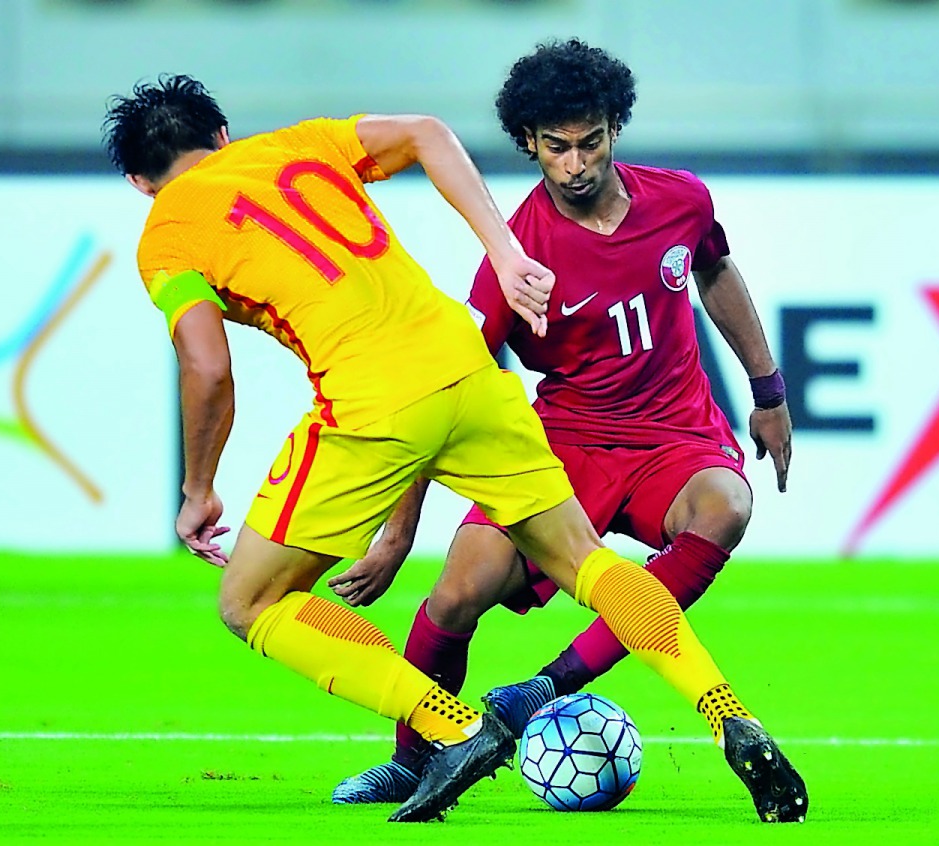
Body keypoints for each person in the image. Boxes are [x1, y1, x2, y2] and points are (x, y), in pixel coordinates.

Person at [102, 73, 802, 825]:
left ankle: (455, 727)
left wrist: (197, 488)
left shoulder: (165, 237)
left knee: (251, 601)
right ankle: (728, 710)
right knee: (587, 563)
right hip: (466, 366)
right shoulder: (297, 145)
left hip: (369, 402)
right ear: (222, 136)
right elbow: (430, 131)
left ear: (141, 182)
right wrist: (503, 250)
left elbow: (206, 365)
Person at [331, 40, 805, 824]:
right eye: (557, 146)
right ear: (530, 144)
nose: (576, 162)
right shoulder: (514, 260)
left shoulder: (681, 201)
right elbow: (444, 393)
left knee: (727, 504)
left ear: (615, 127)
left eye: (591, 141)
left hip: (674, 437)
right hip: (560, 450)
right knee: (456, 595)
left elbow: (716, 271)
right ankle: (410, 763)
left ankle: (545, 687)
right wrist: (394, 535)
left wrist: (768, 389)